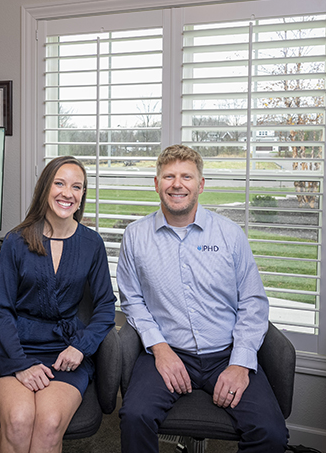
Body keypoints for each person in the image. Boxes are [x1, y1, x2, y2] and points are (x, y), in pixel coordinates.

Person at [117, 145, 288, 453]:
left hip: (226, 352)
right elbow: (132, 301)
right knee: (134, 416)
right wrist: (160, 349)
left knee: (271, 433)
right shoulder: (135, 236)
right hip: (168, 351)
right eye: (168, 176)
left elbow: (253, 302)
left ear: (200, 184)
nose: (177, 184)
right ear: (156, 184)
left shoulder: (230, 235)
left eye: (186, 176)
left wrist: (240, 363)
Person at [0, 155, 116, 453]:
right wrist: (19, 364)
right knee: (18, 420)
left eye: (77, 187)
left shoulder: (92, 243)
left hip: (64, 351)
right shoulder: (16, 241)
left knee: (49, 423)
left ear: (82, 197)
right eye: (60, 183)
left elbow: (106, 307)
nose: (68, 193)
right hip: (12, 346)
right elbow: (2, 310)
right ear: (45, 189)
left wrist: (81, 346)